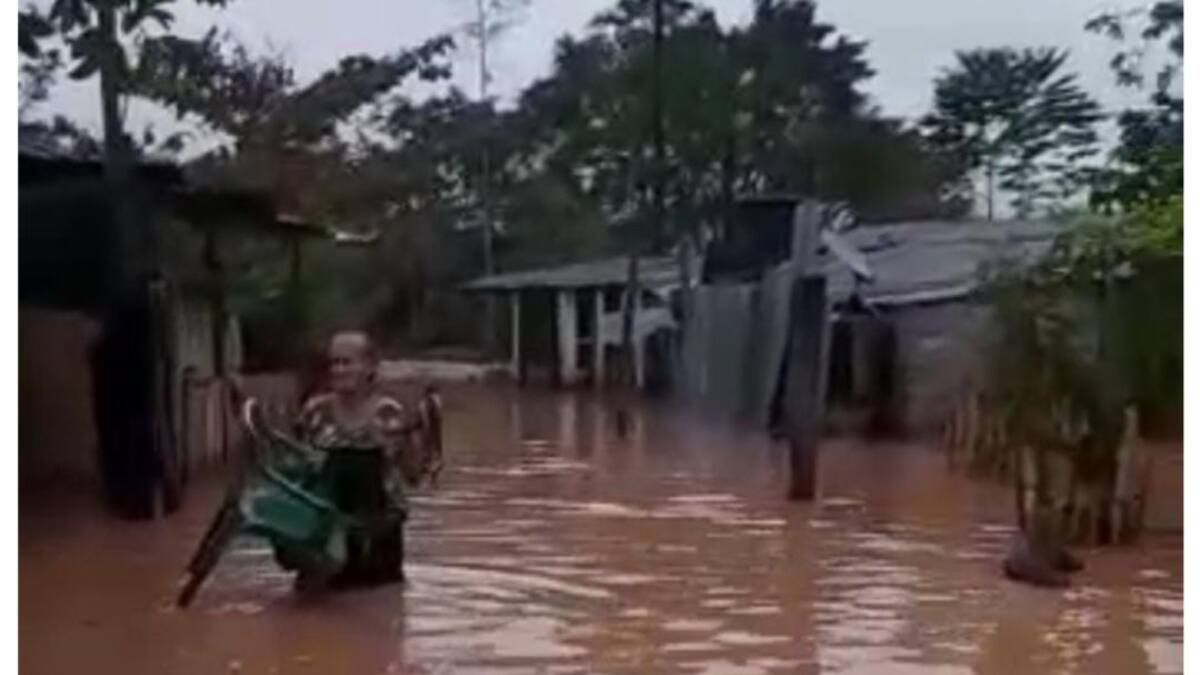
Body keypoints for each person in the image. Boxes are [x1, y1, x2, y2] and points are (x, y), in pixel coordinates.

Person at [291, 331, 417, 590]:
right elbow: (298, 470)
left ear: (370, 367)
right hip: (326, 535)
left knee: (379, 606)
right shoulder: (315, 412)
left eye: (348, 362)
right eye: (334, 363)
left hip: (379, 534)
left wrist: (411, 442)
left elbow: (412, 475)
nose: (339, 370)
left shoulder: (389, 414)